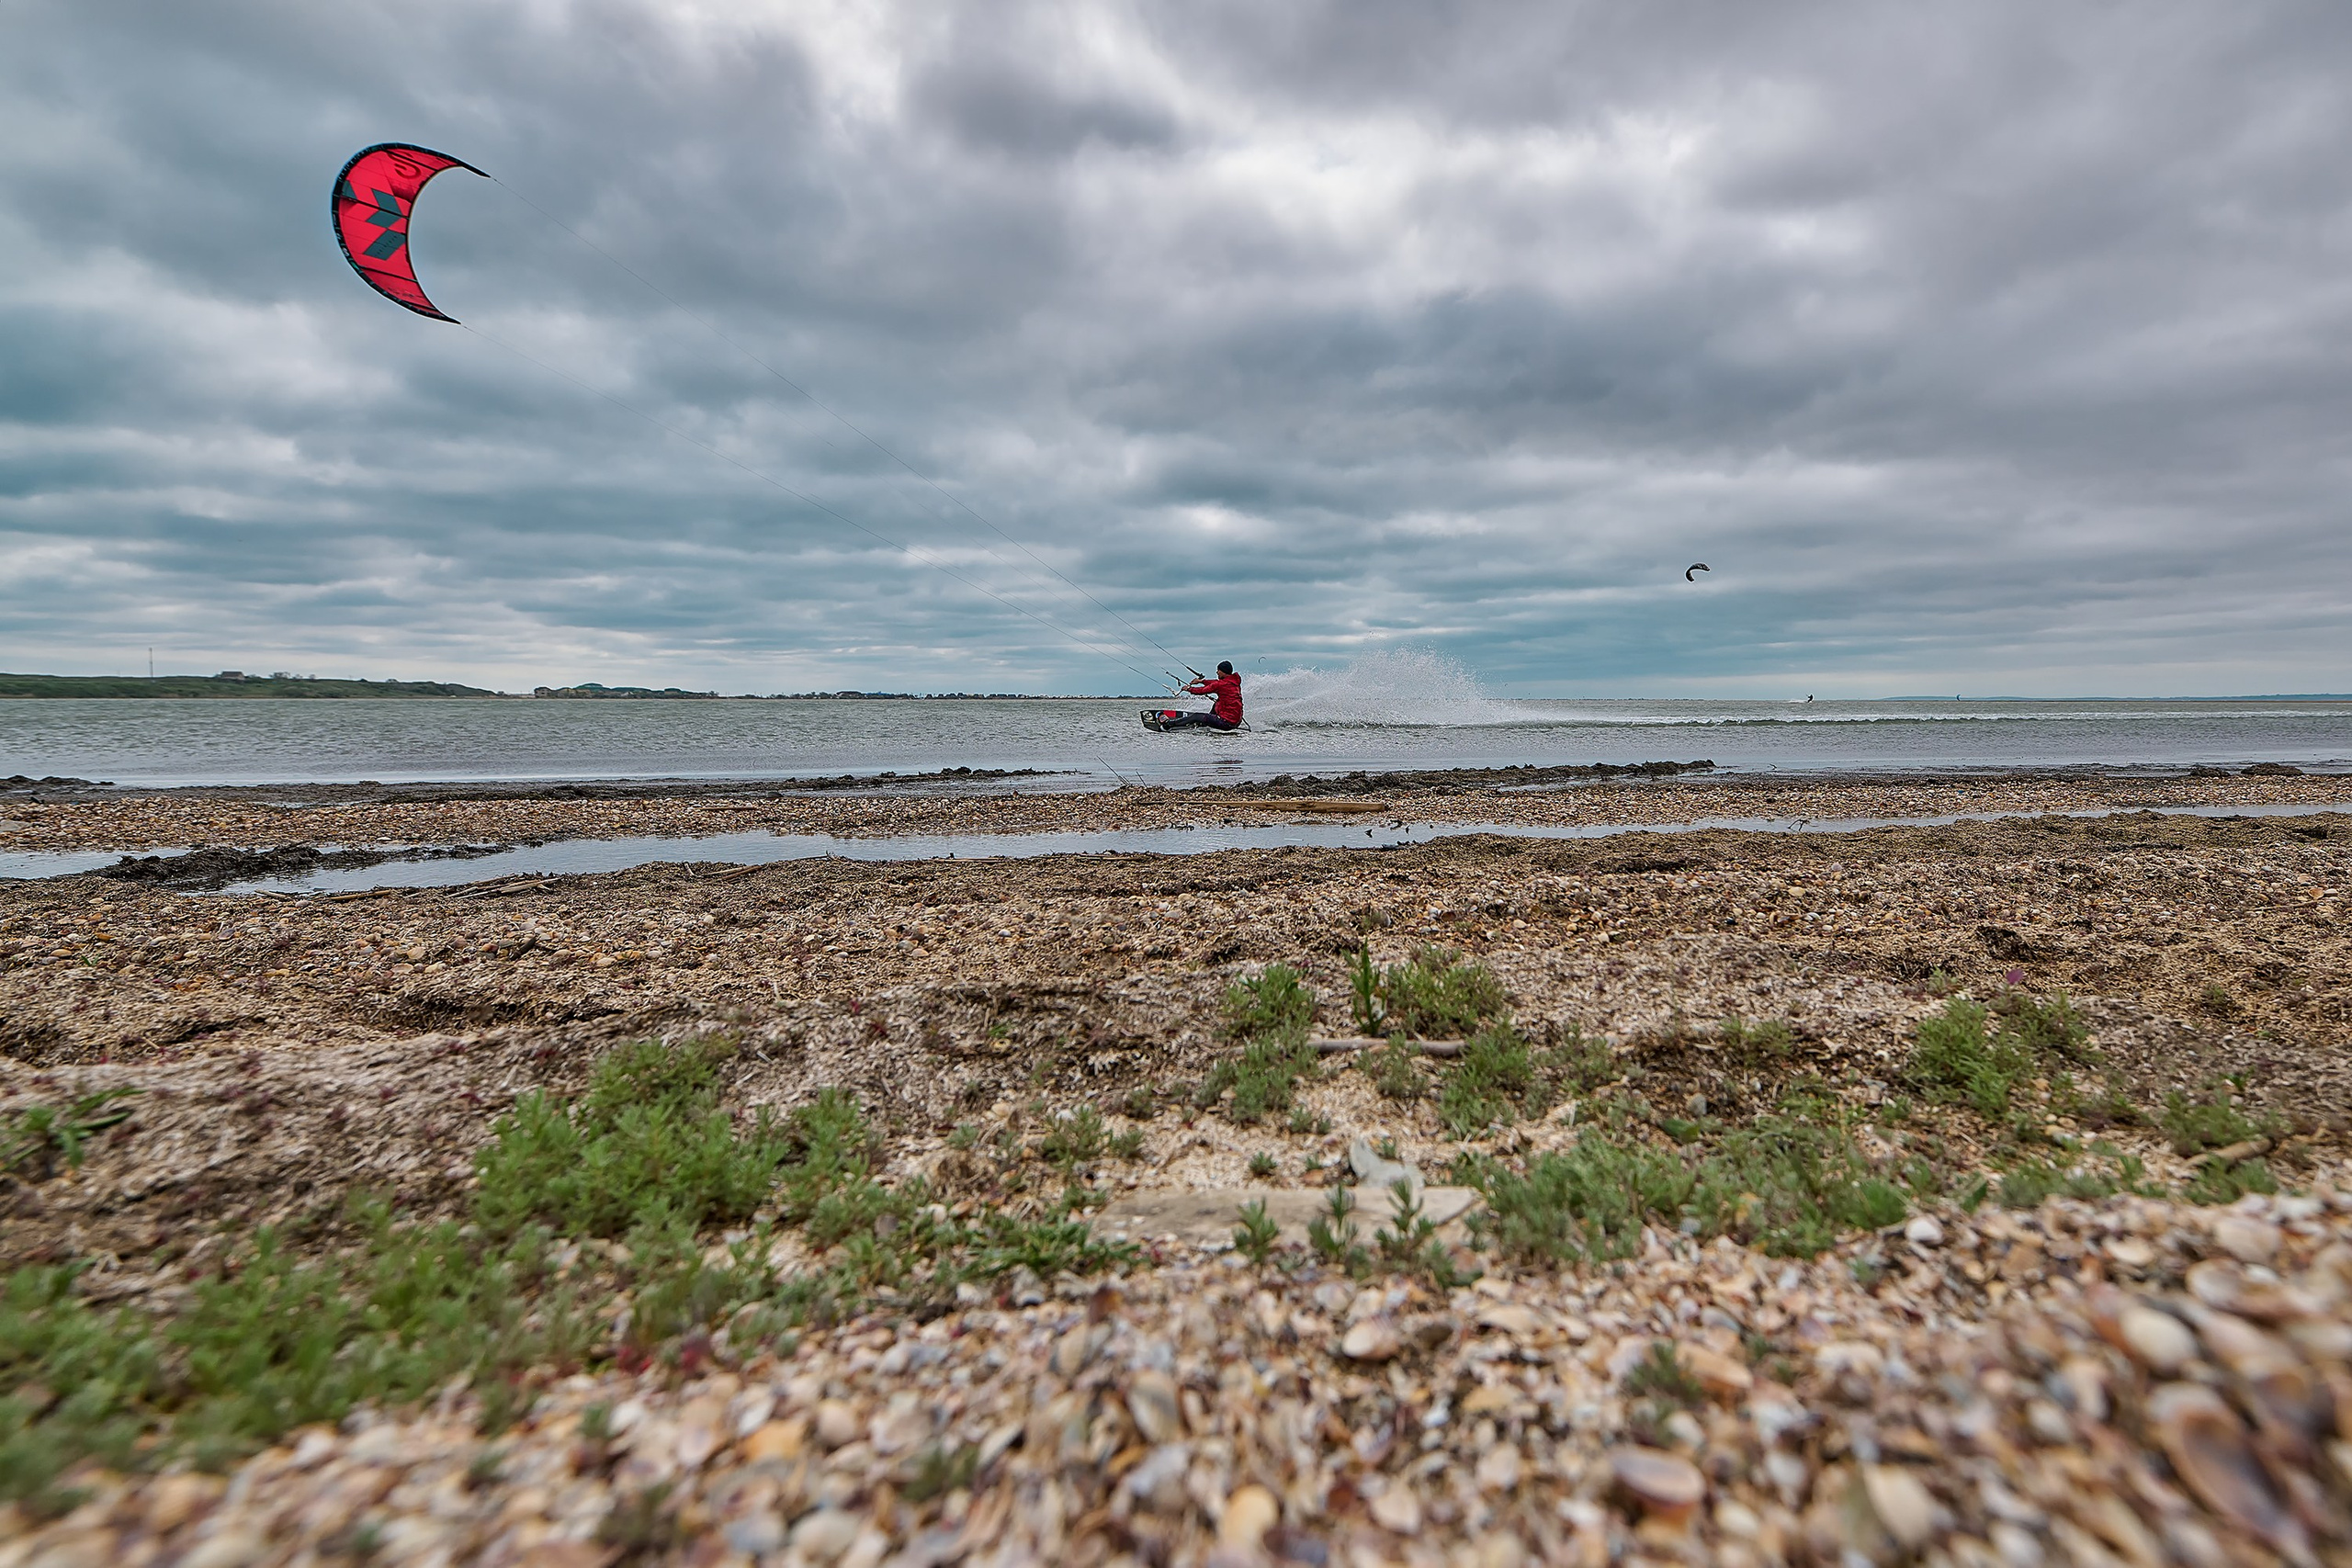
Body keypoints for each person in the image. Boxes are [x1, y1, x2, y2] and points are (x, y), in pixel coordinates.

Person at [1162, 660, 1243, 730]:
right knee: (1217, 703)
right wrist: (1201, 681)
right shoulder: (1234, 683)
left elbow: (1202, 691)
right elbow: (1215, 683)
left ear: (1224, 671)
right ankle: (1206, 722)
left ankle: (1169, 724)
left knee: (1196, 716)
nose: (1217, 672)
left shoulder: (1221, 685)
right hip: (1236, 722)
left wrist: (1189, 689)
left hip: (1226, 724)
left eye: (1218, 670)